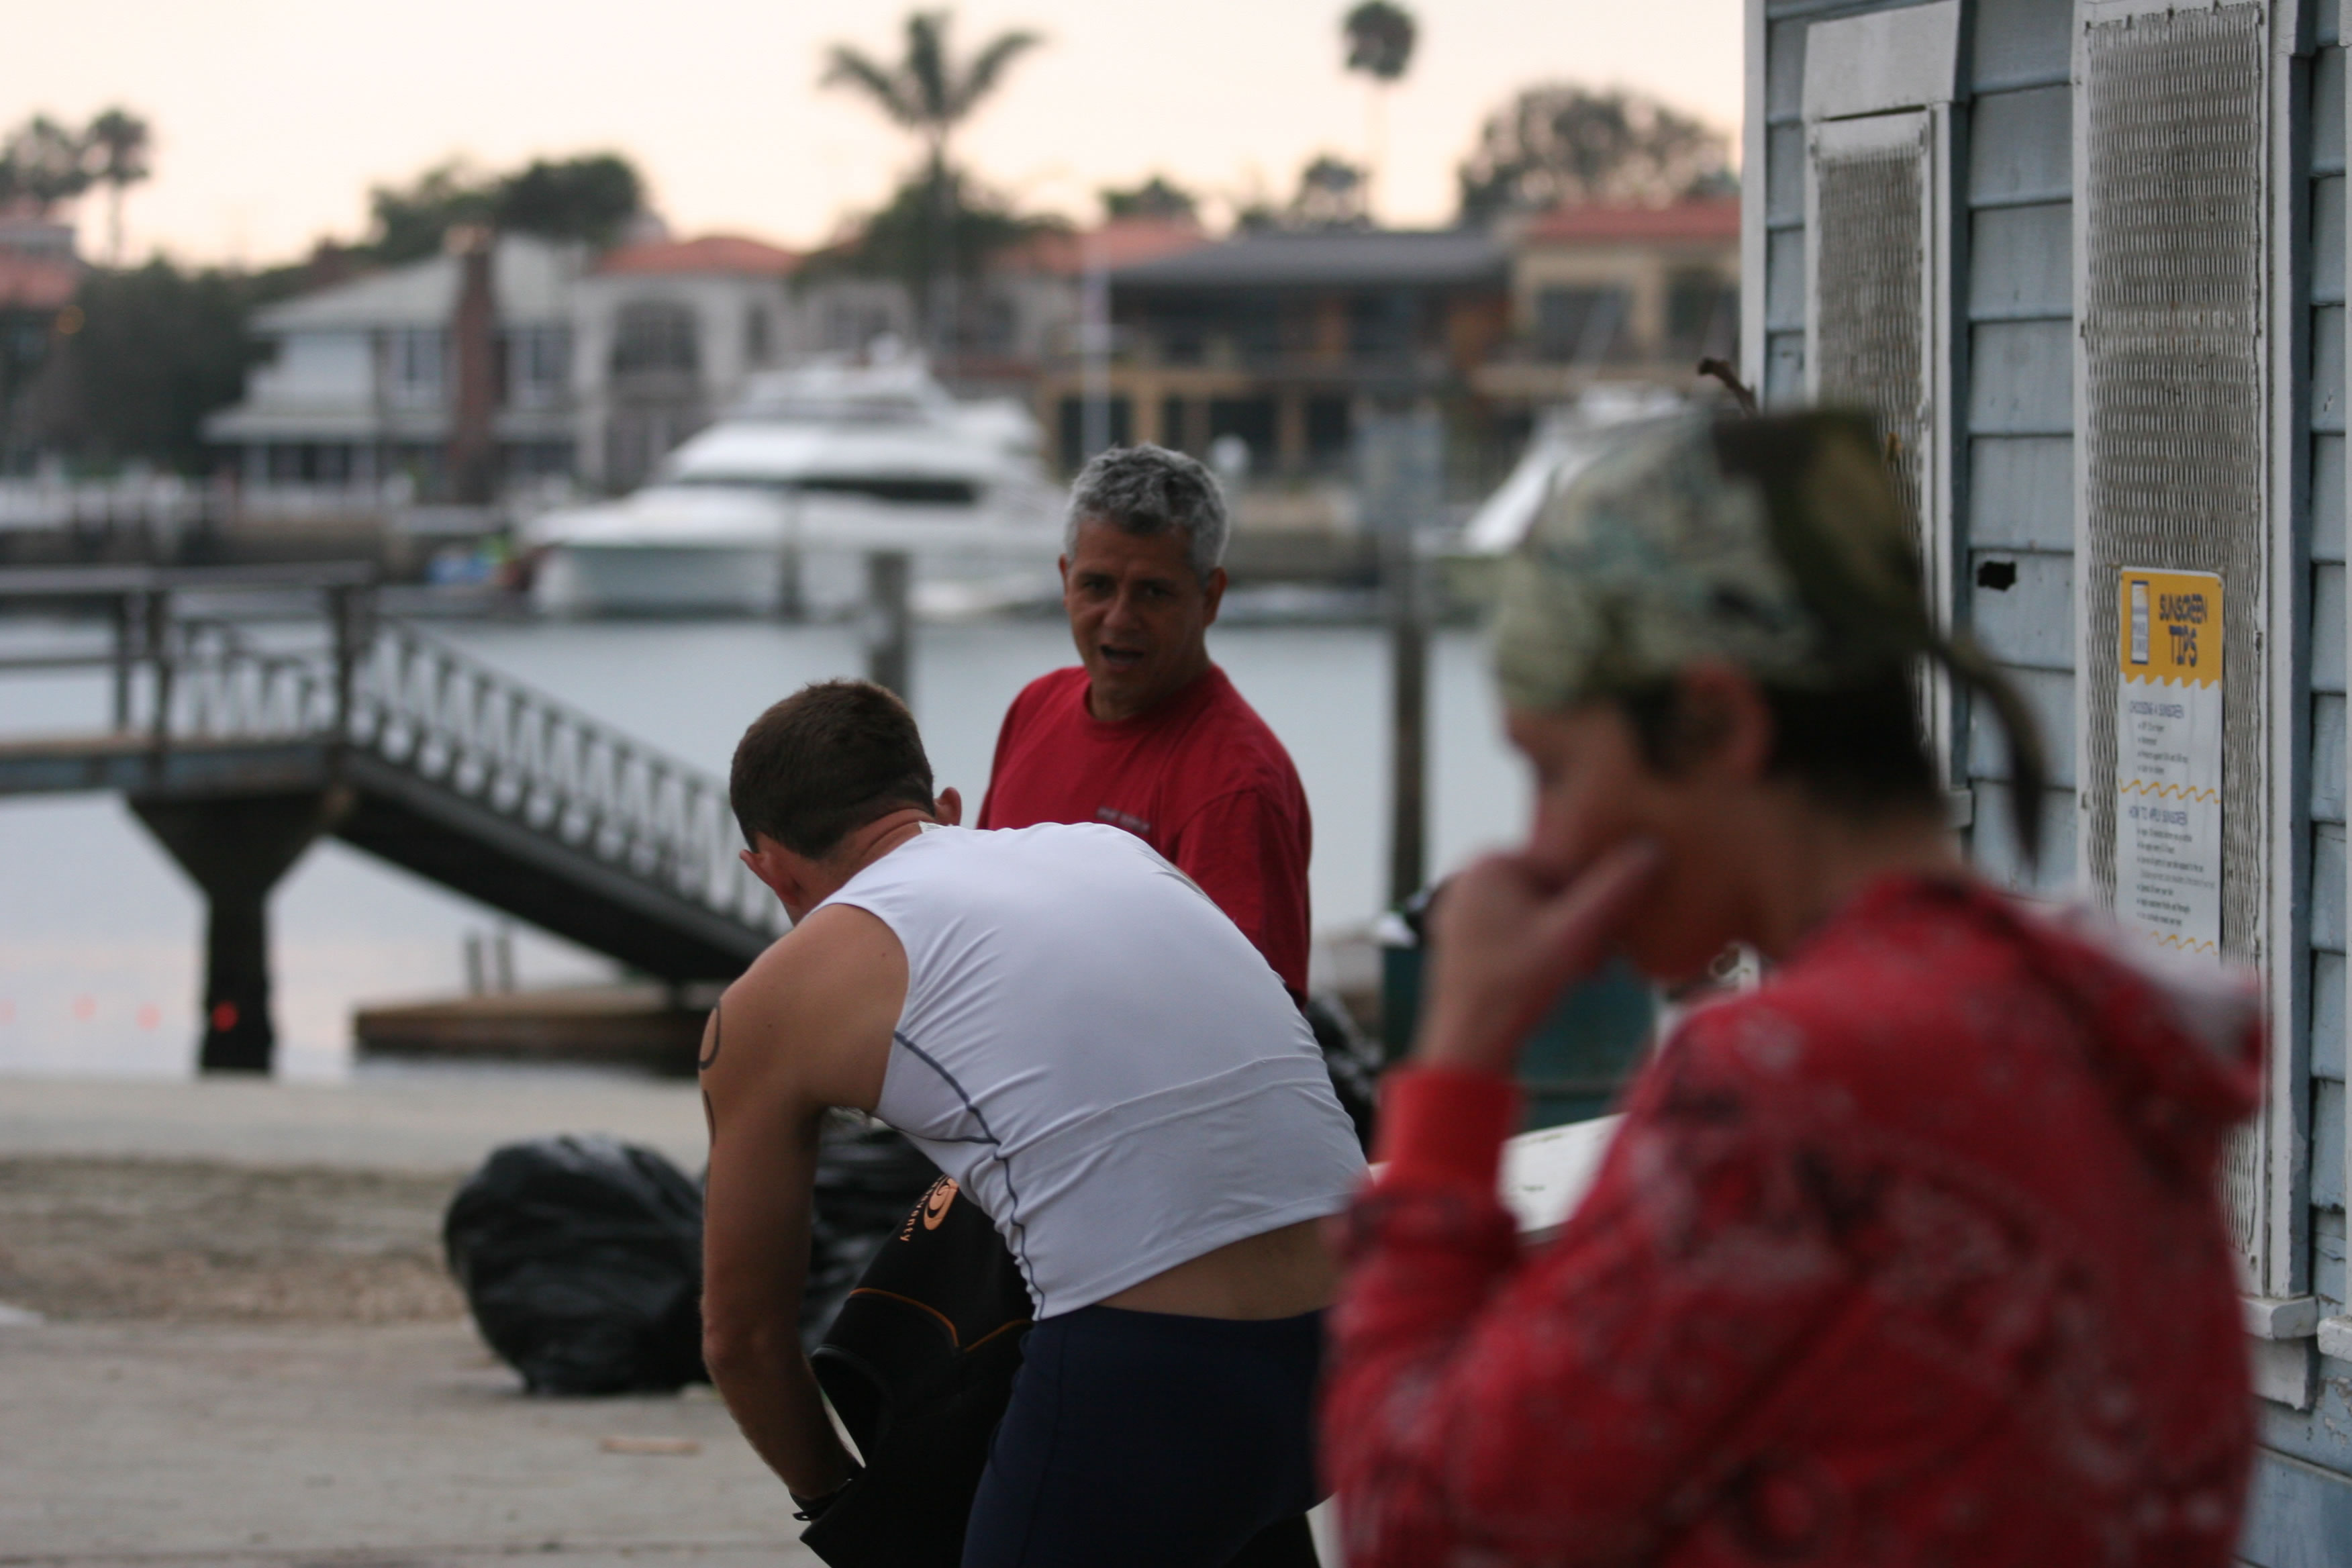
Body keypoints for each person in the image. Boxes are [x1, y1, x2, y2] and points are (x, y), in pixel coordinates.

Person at [1322, 411, 2263, 1566]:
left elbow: (1415, 1522)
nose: (1541, 845)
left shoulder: (1781, 1097)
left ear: (1718, 721)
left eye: (1554, 770)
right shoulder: (2102, 1030)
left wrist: (1457, 1064)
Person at [699, 679, 1364, 1568]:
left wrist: (842, 1506)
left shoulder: (772, 1003)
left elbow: (741, 1337)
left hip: (1153, 1374)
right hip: (1352, 1343)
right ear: (946, 809)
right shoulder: (1114, 850)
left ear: (770, 870)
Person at [979, 444, 1313, 1001]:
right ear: (1065, 581)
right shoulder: (1035, 706)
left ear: (1210, 598)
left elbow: (1253, 1021)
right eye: (1097, 586)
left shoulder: (1236, 787)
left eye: (1153, 592)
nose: (1119, 618)